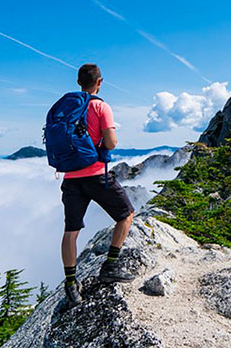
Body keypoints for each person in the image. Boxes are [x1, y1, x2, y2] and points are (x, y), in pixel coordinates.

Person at [60, 63, 135, 307]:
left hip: (71, 177)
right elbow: (111, 143)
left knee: (71, 232)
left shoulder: (68, 108)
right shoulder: (101, 106)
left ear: (79, 83)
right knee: (126, 215)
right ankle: (110, 266)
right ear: (100, 82)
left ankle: (71, 284)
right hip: (96, 175)